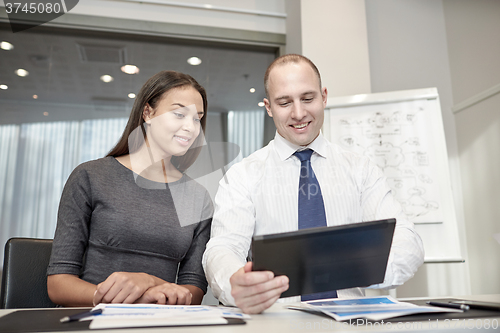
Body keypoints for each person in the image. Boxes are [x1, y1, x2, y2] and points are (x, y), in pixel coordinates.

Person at [202, 54, 424, 314]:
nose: (299, 113)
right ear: (269, 107)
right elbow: (222, 247)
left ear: (324, 97)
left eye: (308, 98)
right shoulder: (243, 175)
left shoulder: (361, 169)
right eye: (284, 102)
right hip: (275, 325)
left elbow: (408, 241)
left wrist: (355, 267)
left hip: (350, 323)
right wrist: (235, 283)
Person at [47, 71, 213, 307]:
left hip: (160, 322)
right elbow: (58, 283)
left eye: (197, 118)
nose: (190, 127)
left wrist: (148, 281)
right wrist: (122, 300)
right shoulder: (90, 176)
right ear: (148, 112)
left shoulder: (199, 197)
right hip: (94, 320)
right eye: (179, 114)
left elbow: (193, 290)